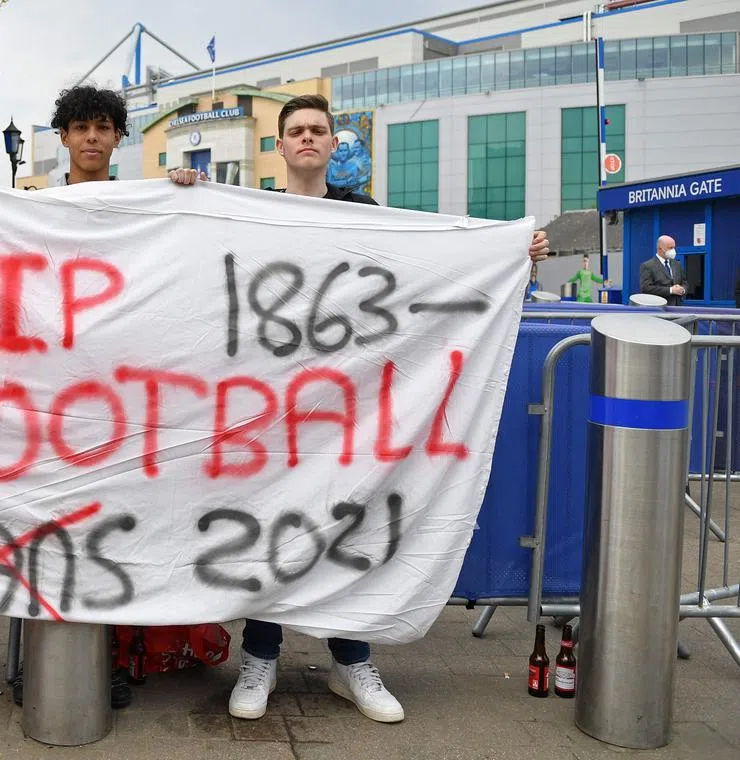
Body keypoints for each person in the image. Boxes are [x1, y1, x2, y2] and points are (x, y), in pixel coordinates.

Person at [171, 93, 549, 725]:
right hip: (275, 405)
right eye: (297, 131)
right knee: (275, 519)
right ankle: (260, 655)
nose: (309, 139)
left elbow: (432, 266)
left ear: (331, 143)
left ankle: (353, 660)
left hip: (352, 404)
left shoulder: (371, 215)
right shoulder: (252, 211)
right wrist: (184, 188)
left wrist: (511, 250)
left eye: (320, 130)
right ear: (282, 145)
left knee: (352, 520)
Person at [639, 235, 686, 306]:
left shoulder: (677, 264)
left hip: (677, 308)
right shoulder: (648, 266)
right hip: (659, 308)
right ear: (660, 249)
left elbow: (684, 282)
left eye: (674, 247)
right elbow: (646, 288)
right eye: (670, 248)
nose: (673, 251)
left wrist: (682, 290)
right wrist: (670, 290)